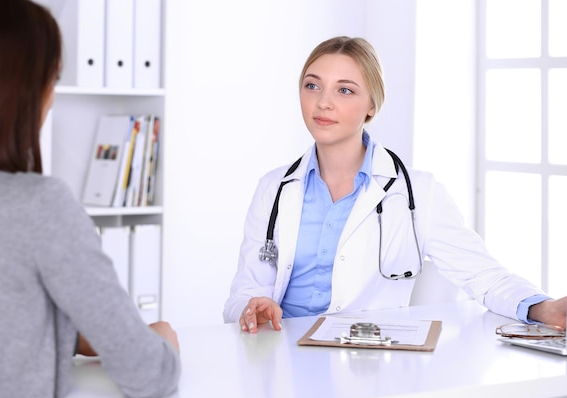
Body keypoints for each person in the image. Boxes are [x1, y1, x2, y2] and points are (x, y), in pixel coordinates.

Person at [223, 35, 567, 333]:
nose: (323, 102)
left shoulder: (419, 192)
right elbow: (242, 294)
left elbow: (485, 277)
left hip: (367, 365)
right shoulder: (274, 188)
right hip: (282, 360)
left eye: (345, 90)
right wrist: (252, 308)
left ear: (372, 104)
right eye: (312, 85)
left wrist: (542, 308)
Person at [0, 1, 180, 398]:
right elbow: (147, 373)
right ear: (24, 93)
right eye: (51, 79)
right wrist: (163, 345)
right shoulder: (39, 206)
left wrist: (66, 334)